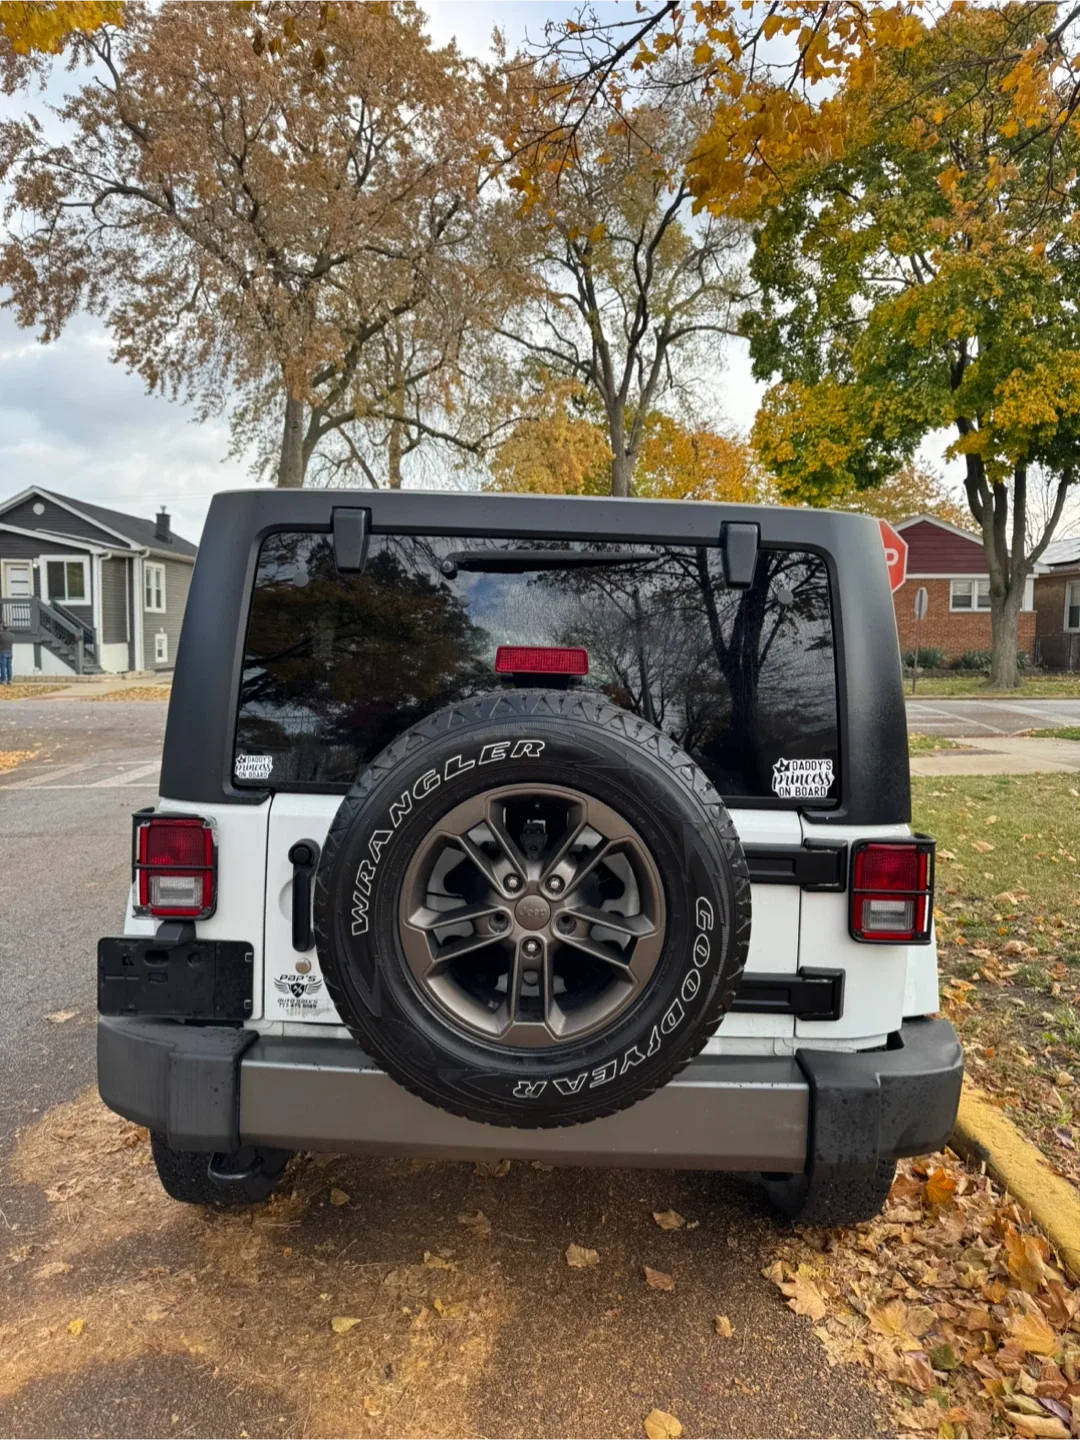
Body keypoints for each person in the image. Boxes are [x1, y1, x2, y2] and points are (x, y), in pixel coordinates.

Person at [0, 615, 13, 684]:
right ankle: (10, 679)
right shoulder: (12, 635)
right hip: (10, 651)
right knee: (9, 666)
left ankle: (3, 680)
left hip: (2, 652)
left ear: (2, 628)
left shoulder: (1, 634)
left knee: (3, 666)